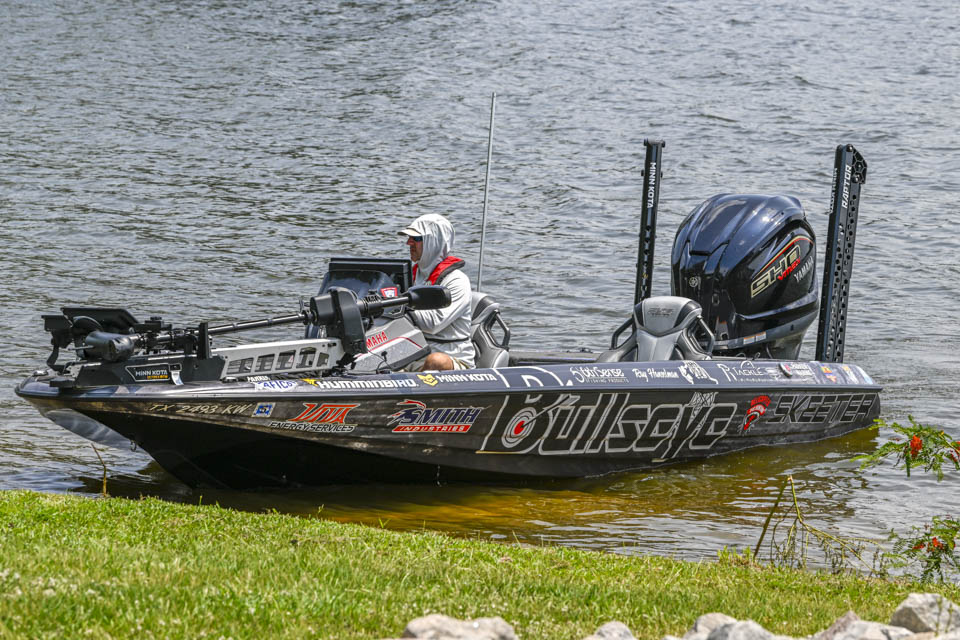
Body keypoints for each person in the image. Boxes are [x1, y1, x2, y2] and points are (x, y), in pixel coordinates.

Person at [398, 214, 475, 370]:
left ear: (434, 241)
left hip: (453, 358)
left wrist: (397, 305)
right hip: (412, 354)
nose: (408, 243)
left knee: (435, 361)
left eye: (415, 238)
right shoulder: (408, 276)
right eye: (409, 238)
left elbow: (434, 324)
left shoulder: (457, 281)